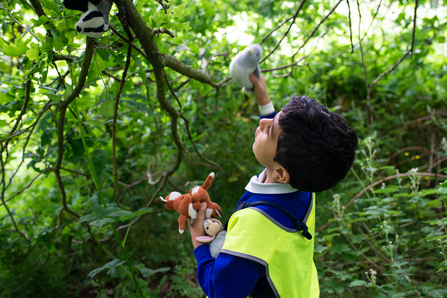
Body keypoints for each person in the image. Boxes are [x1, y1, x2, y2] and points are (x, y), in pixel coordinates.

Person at [188, 73, 358, 298]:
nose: (263, 121)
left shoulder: (254, 230)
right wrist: (264, 100)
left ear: (281, 173)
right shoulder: (304, 183)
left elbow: (221, 292)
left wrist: (198, 242)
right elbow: (283, 142)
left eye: (270, 130)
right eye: (274, 117)